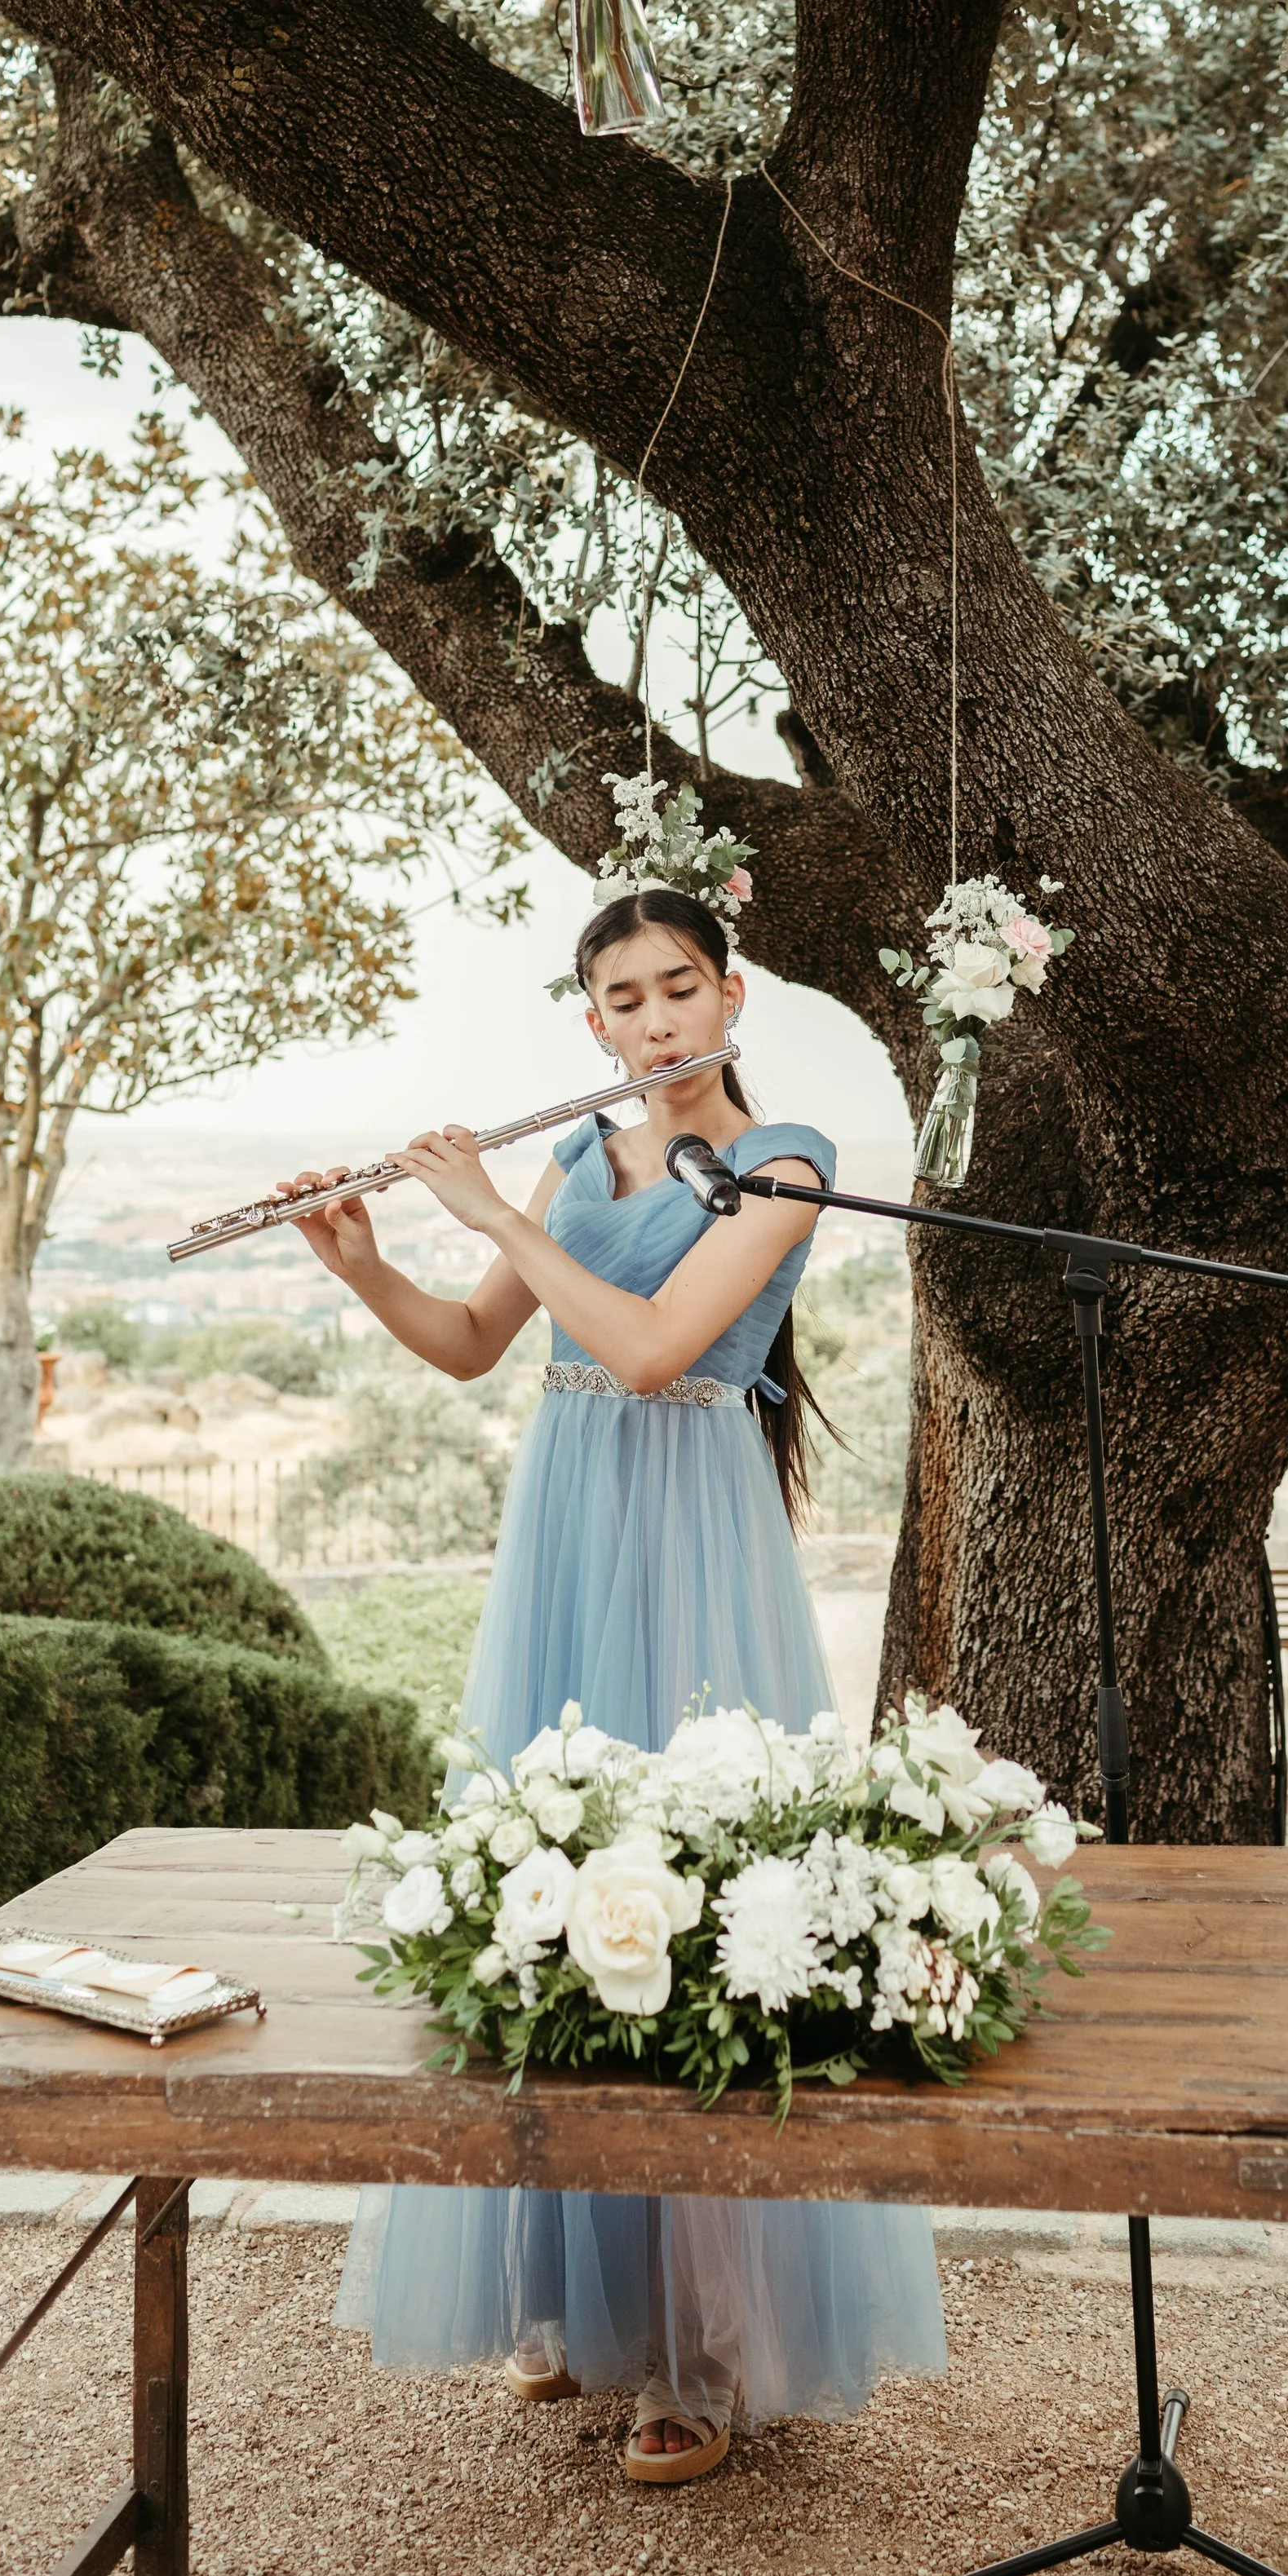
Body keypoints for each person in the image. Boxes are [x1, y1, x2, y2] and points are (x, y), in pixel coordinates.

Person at [272, 884, 946, 2483]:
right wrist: (365, 1260)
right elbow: (464, 1344)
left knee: (700, 1906)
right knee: (559, 1896)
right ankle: (584, 2311)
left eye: (674, 991)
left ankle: (701, 2357)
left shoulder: (787, 1165)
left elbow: (654, 1353)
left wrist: (493, 1210)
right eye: (621, 1002)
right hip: (566, 1530)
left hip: (688, 1540)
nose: (650, 1023)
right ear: (592, 1025)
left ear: (729, 995)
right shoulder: (582, 1158)